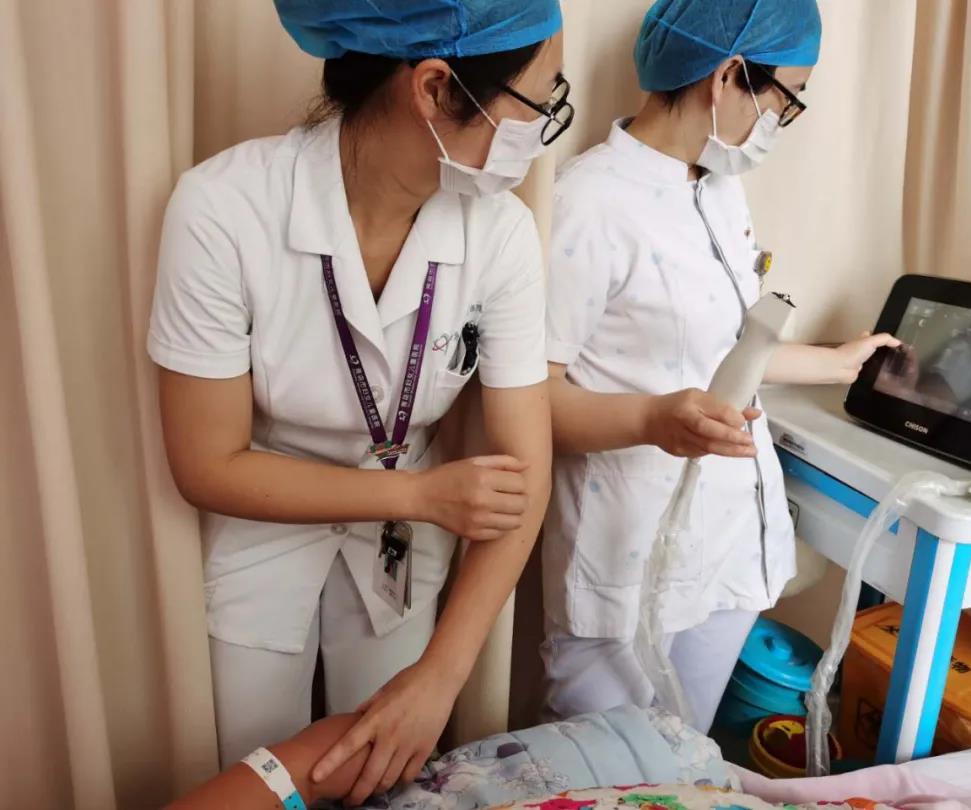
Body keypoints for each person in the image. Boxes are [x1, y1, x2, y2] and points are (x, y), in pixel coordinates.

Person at [149, 0, 571, 802]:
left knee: (385, 777)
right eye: (535, 101)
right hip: (267, 525)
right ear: (436, 87)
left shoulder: (502, 234)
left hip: (402, 551)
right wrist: (415, 495)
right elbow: (206, 464)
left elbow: (525, 475)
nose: (540, 129)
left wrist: (442, 675)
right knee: (255, 775)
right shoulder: (223, 208)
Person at [540, 0, 899, 733]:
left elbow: (725, 351)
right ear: (729, 75)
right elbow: (527, 401)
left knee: (687, 762)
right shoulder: (588, 203)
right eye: (787, 99)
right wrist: (652, 420)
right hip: (626, 554)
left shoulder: (720, 190)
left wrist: (839, 363)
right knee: (611, 770)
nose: (782, 122)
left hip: (725, 549)